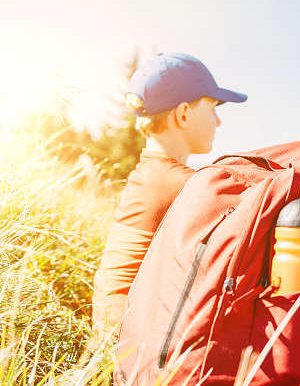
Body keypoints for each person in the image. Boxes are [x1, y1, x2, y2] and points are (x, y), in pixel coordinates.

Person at [91, 52, 247, 338]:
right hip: (128, 348)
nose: (219, 121)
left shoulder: (152, 174)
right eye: (212, 108)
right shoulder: (181, 185)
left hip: (113, 335)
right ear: (184, 113)